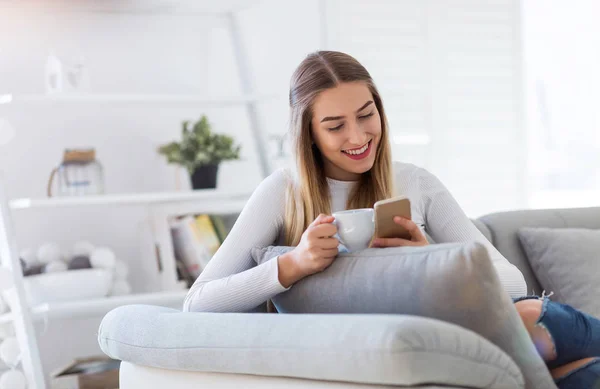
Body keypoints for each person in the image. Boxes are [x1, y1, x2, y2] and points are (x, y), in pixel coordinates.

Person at [184, 51, 600, 388]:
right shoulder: (282, 193)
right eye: (335, 126)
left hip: (499, 329)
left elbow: (513, 283)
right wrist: (294, 264)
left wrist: (434, 260)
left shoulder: (414, 182)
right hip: (419, 346)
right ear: (308, 134)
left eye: (367, 115)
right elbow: (197, 304)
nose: (358, 136)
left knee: (533, 319)